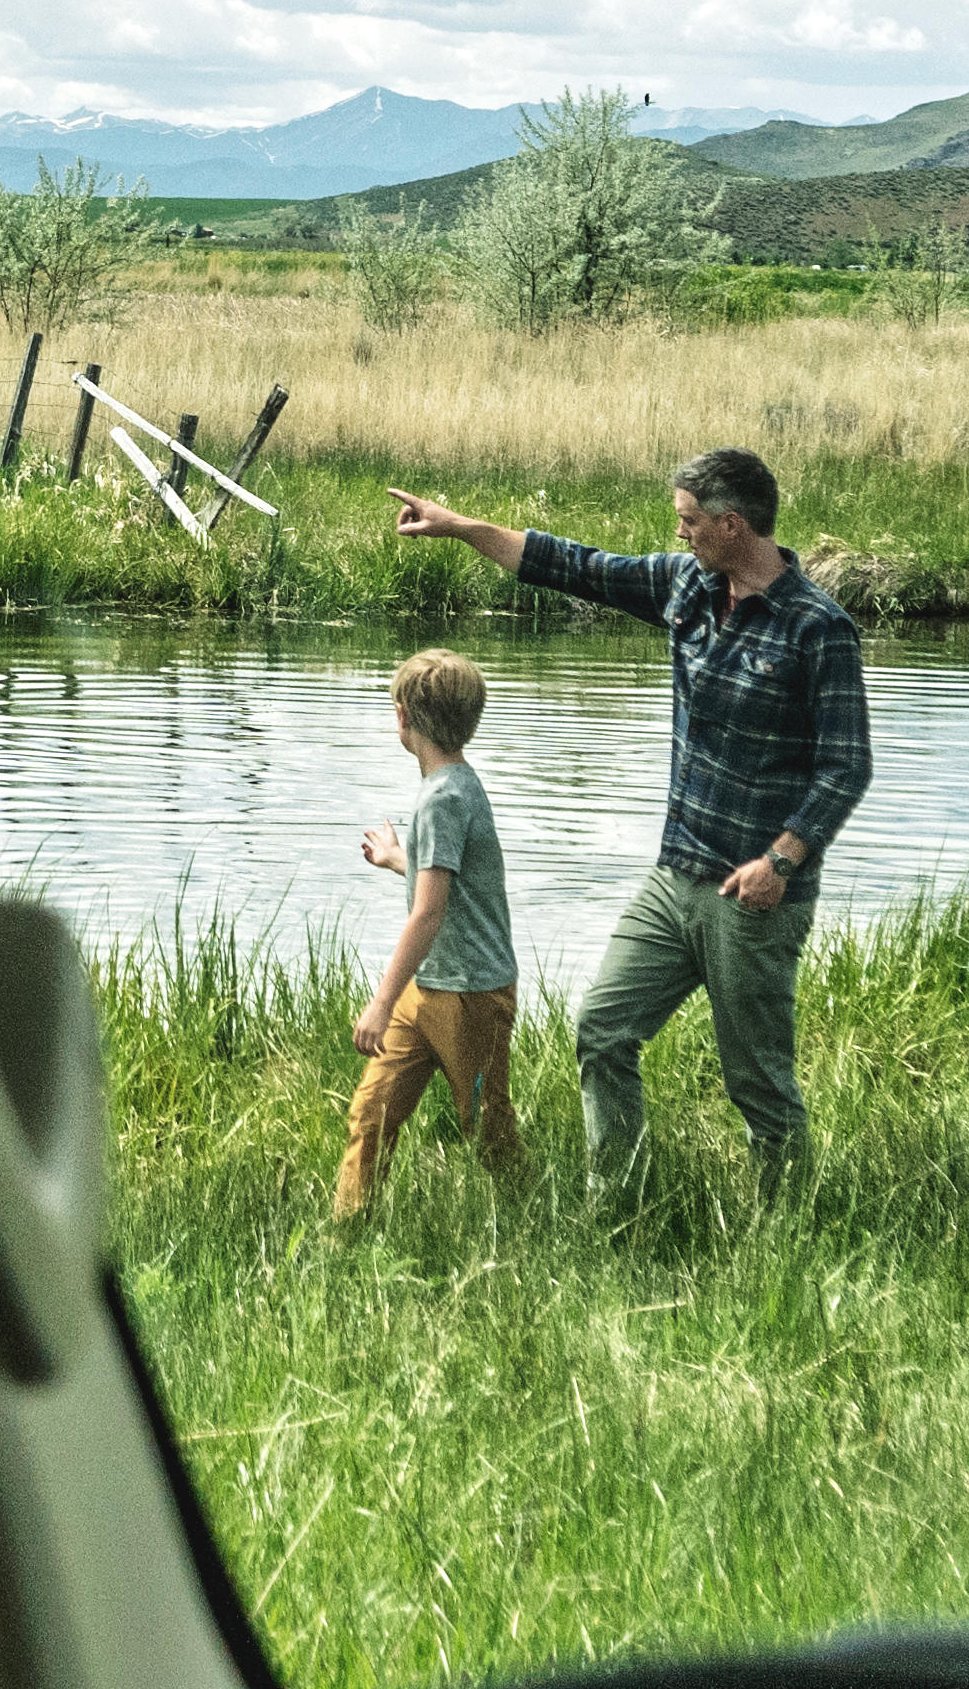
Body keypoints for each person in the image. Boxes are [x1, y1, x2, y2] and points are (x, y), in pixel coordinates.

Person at [384, 448, 867, 1199]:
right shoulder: (686, 588)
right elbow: (569, 564)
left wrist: (783, 860)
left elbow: (845, 766)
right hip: (674, 881)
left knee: (758, 1084)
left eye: (689, 522)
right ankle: (621, 1204)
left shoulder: (819, 630)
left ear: (731, 525)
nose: (679, 535)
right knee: (603, 1030)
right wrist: (459, 528)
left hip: (755, 898)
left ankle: (787, 1229)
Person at [331, 646, 526, 1219]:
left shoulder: (443, 799)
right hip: (431, 989)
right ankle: (349, 1226)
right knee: (372, 1112)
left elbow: (429, 913)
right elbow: (444, 884)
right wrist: (402, 859)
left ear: (405, 718)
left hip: (471, 995)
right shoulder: (454, 787)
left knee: (487, 1128)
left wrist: (380, 1001)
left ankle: (527, 1221)